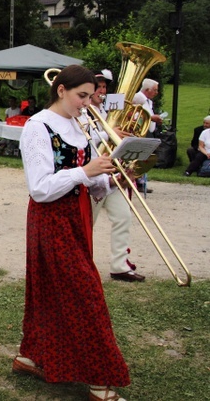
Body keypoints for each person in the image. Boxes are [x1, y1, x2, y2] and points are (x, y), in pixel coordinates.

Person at [14, 65, 130, 401]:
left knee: (51, 291)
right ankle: (99, 380)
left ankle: (31, 356)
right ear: (61, 89)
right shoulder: (37, 127)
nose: (87, 103)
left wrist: (113, 175)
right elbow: (39, 189)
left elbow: (91, 183)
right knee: (86, 295)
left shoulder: (81, 124)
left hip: (76, 215)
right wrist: (85, 171)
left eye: (91, 96)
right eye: (81, 96)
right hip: (50, 218)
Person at [88, 71, 145, 282]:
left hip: (113, 173)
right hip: (92, 174)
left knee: (123, 217)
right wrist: (109, 132)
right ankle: (83, 265)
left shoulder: (111, 111)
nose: (102, 91)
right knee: (87, 224)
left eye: (104, 87)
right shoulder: (82, 112)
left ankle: (120, 266)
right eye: (98, 87)